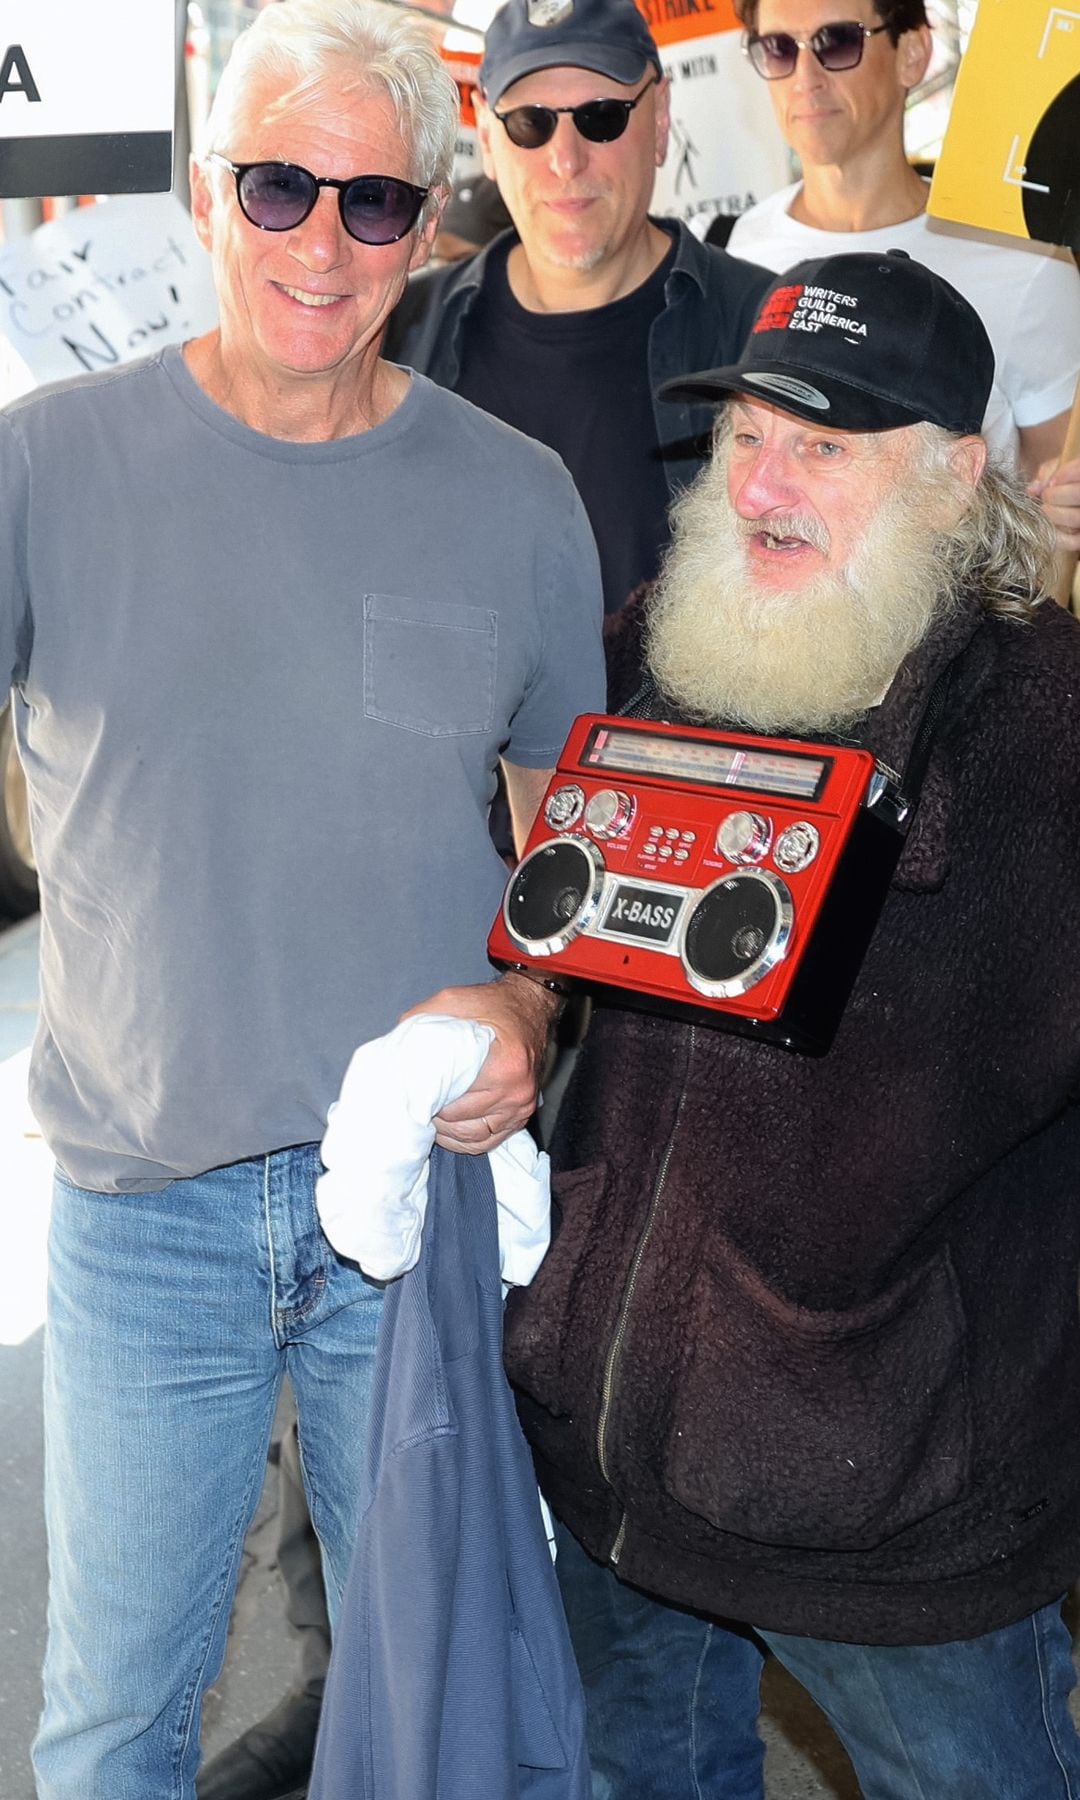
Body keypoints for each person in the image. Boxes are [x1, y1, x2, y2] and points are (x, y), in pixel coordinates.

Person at [8, 3, 604, 1796]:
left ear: (430, 227)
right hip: (144, 1211)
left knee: (456, 1705)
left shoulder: (518, 502)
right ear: (208, 194)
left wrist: (528, 1010)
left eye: (371, 203)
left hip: (415, 1217)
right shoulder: (46, 465)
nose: (322, 246)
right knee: (112, 1724)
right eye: (280, 188)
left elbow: (576, 873)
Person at [502, 250, 1080, 1797]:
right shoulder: (655, 655)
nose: (761, 482)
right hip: (622, 1478)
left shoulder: (1049, 732)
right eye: (749, 431)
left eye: (823, 446)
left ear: (958, 479)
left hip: (902, 1541)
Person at [386, 0, 772, 613]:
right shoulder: (396, 331)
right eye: (530, 124)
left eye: (601, 117)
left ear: (662, 118)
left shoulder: (769, 333)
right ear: (486, 137)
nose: (566, 161)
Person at [723, 0, 1080, 560]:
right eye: (779, 48)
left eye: (837, 42)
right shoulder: (735, 249)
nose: (805, 78)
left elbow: (1055, 511)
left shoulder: (1024, 262)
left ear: (912, 53)